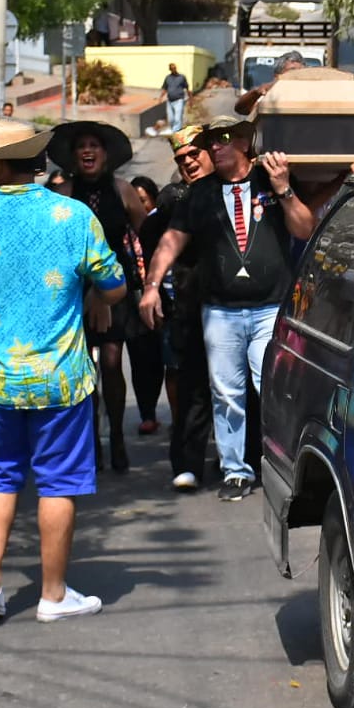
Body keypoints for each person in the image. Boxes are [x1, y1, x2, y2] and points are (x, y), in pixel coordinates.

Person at [0, 116, 127, 622]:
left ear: (0, 162)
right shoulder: (72, 216)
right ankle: (52, 594)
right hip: (60, 375)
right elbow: (113, 285)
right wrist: (93, 293)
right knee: (58, 484)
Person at [138, 116, 314, 501]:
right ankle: (235, 470)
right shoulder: (198, 194)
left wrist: (284, 188)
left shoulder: (272, 178)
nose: (214, 147)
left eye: (222, 139)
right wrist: (151, 286)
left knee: (269, 386)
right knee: (226, 392)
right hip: (220, 311)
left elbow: (304, 229)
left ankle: (281, 464)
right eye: (211, 141)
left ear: (244, 143)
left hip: (270, 308)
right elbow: (170, 240)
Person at [48, 121, 148, 472]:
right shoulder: (62, 194)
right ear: (73, 156)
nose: (88, 151)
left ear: (106, 154)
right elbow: (53, 247)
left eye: (95, 145)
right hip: (73, 289)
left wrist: (150, 287)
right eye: (81, 146)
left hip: (115, 286)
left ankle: (117, 436)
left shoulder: (123, 190)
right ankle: (90, 440)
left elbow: (145, 237)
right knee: (82, 368)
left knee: (110, 361)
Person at [149, 125, 216, 491]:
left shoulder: (238, 187)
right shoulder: (174, 199)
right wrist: (152, 288)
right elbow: (155, 242)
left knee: (243, 391)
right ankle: (188, 463)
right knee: (191, 387)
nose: (189, 162)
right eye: (181, 159)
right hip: (191, 305)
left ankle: (242, 460)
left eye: (195, 154)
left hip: (242, 306)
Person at [128, 174, 165, 436]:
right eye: (134, 201)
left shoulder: (162, 227)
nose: (139, 206)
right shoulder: (124, 231)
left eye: (144, 200)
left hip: (162, 300)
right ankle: (147, 413)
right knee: (141, 360)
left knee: (163, 359)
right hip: (132, 301)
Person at [234, 50, 304, 116]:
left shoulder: (309, 94)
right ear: (277, 75)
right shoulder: (269, 97)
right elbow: (241, 109)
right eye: (292, 71)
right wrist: (256, 92)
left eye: (302, 71)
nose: (297, 75)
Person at [159, 63, 191, 131]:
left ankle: (175, 133)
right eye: (172, 68)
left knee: (177, 118)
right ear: (170, 69)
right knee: (170, 119)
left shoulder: (182, 77)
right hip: (170, 101)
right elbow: (165, 88)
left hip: (179, 100)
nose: (173, 69)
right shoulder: (168, 78)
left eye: (174, 68)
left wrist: (190, 99)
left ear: (176, 68)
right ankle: (173, 130)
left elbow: (187, 88)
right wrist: (160, 97)